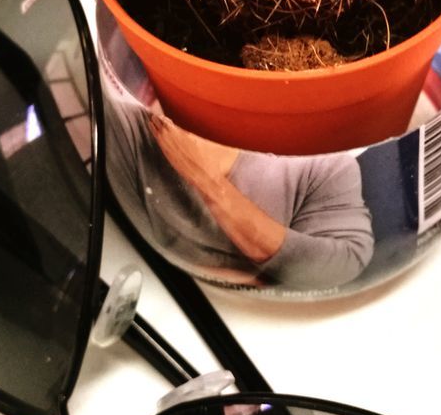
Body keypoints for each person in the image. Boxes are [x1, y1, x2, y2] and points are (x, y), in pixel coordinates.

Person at [102, 64, 375, 292]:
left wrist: (206, 180)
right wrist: (266, 273)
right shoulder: (139, 131)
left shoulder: (326, 165)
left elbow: (347, 261)